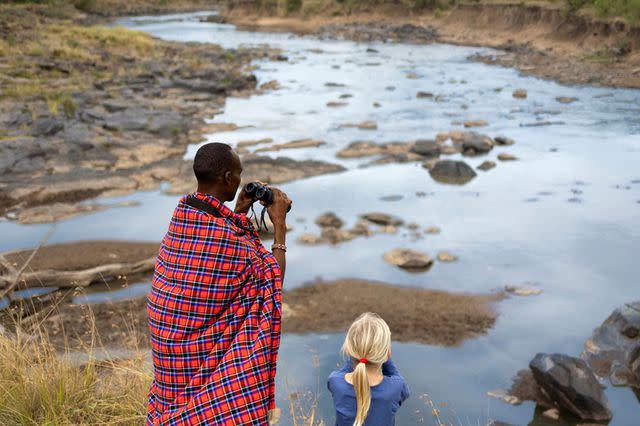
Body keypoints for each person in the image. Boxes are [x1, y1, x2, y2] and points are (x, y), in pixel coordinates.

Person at [147, 142, 292, 425]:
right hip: (194, 357)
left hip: (173, 357)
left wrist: (238, 210)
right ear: (227, 178)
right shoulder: (227, 242)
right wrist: (279, 227)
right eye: (238, 174)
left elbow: (217, 265)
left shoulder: (185, 217)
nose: (240, 180)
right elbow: (272, 279)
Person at [328, 313, 410, 426]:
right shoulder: (396, 387)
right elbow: (404, 390)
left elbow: (345, 370)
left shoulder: (335, 381)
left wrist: (357, 351)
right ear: (387, 353)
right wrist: (385, 357)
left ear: (348, 350)